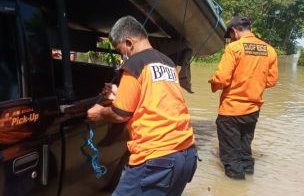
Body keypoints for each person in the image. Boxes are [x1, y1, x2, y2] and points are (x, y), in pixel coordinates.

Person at [87, 16, 197, 195]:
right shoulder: (167, 63)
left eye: (120, 49)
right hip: (186, 154)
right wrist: (117, 93)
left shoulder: (135, 64)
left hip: (157, 159)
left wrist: (99, 113)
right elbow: (156, 101)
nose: (122, 54)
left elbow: (119, 115)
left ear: (129, 42)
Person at [208, 16, 278, 180]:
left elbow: (222, 79)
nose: (231, 38)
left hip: (231, 110)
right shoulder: (269, 50)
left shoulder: (234, 48)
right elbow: (272, 80)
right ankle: (247, 185)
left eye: (231, 35)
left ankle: (234, 187)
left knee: (231, 159)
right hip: (253, 111)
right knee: (245, 152)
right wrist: (253, 85)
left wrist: (213, 82)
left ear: (234, 31)